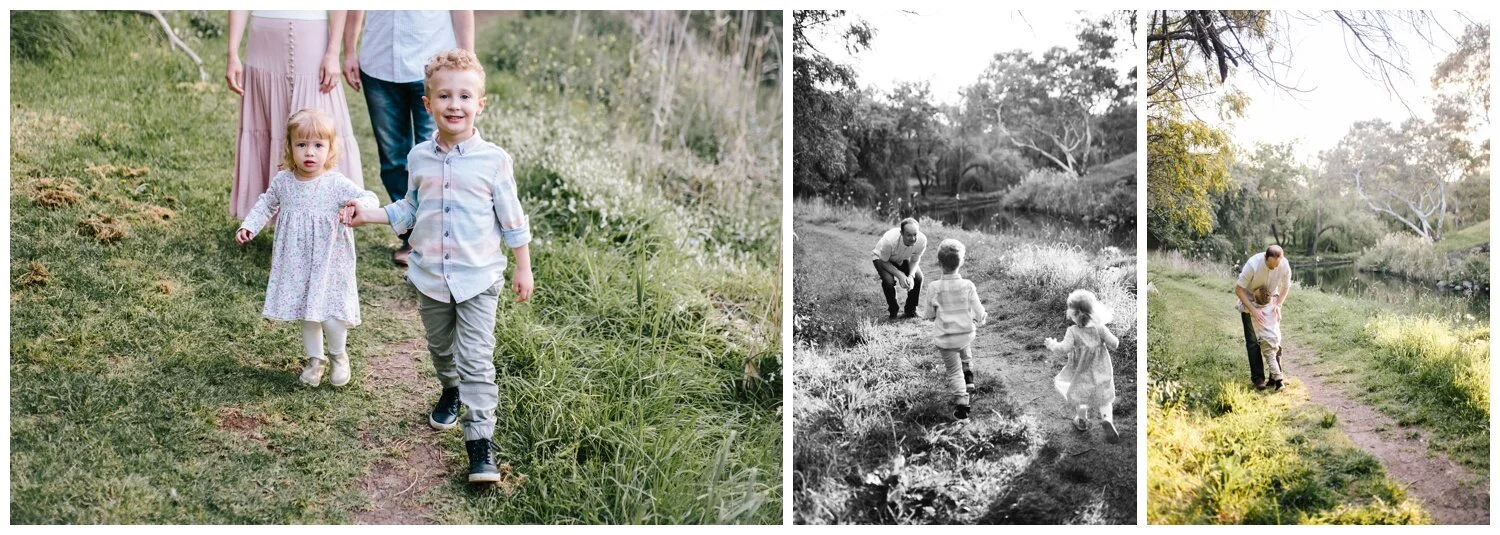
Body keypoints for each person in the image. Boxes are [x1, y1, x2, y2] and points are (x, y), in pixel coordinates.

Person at [343, 49, 534, 484]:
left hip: (479, 278)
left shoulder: (494, 161)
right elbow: (410, 210)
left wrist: (522, 267)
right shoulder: (419, 158)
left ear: (480, 104)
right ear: (427, 104)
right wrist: (367, 214)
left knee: (477, 359)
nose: (455, 104)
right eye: (444, 96)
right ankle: (450, 389)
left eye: (465, 96)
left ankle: (480, 444)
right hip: (430, 277)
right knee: (441, 349)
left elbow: (513, 219)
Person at [235, 109, 379, 387]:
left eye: (317, 145)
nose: (309, 153)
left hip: (329, 259)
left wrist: (359, 207)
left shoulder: (335, 183)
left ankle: (338, 356)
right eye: (301, 145)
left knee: (331, 311)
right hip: (296, 258)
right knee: (307, 310)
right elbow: (267, 203)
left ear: (330, 149)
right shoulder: (284, 182)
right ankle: (316, 360)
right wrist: (249, 225)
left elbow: (368, 196)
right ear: (290, 148)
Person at [341, 10, 475, 266]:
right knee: (392, 160)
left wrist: (468, 65)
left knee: (436, 160)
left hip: (434, 67)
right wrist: (349, 51)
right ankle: (411, 238)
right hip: (378, 64)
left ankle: (440, 240)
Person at [226, 10, 363, 220]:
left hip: (312, 36)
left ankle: (328, 215)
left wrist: (334, 53)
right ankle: (271, 215)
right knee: (267, 124)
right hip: (263, 39)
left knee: (315, 128)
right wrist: (232, 52)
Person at [921, 239, 988, 420]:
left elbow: (928, 315)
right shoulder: (968, 285)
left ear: (939, 263)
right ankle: (969, 377)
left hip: (946, 338)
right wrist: (981, 318)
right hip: (966, 334)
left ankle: (962, 403)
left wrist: (934, 314)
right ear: (962, 262)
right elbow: (979, 311)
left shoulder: (934, 287)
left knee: (953, 371)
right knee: (964, 345)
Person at [1045, 289, 1121, 443]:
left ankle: (1082, 420)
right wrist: (1110, 340)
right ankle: (1107, 419)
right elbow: (1115, 344)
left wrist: (1052, 344)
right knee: (1105, 397)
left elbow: (1063, 349)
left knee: (1081, 396)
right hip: (1102, 370)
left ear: (1073, 314)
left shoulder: (1072, 331)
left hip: (1081, 372)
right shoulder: (1100, 328)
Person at [1234, 245, 1291, 390]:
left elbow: (1285, 287)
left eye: (1276, 266)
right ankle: (1258, 379)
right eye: (1271, 266)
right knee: (1253, 342)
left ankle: (1275, 377)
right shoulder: (1253, 264)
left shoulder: (1284, 266)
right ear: (1265, 258)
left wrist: (1278, 305)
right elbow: (1238, 289)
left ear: (1281, 259)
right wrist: (1253, 310)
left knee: (1272, 337)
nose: (1273, 269)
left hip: (1270, 300)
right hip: (1249, 301)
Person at [872, 218, 927, 319]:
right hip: (883, 259)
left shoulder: (922, 240)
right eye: (909, 235)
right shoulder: (889, 241)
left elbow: (914, 260)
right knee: (888, 281)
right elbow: (884, 261)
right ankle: (893, 310)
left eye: (915, 234)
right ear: (901, 233)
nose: (913, 238)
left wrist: (910, 276)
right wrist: (900, 275)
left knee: (918, 278)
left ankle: (910, 311)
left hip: (903, 258)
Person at [1250, 287, 1285, 390]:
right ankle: (1273, 380)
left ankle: (1279, 381)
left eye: (1253, 295)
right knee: (1275, 356)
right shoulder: (1273, 304)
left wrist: (1240, 301)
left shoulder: (1255, 307)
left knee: (1271, 359)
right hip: (1276, 336)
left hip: (1266, 339)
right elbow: (1276, 296)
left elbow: (1240, 307)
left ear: (1256, 299)